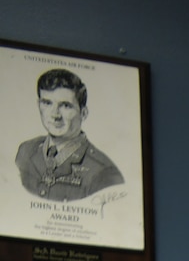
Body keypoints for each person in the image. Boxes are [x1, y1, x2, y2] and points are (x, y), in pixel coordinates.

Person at [15, 68, 124, 202]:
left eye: (65, 106)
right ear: (39, 105)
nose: (55, 115)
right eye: (47, 103)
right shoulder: (25, 151)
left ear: (83, 113)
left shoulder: (104, 172)